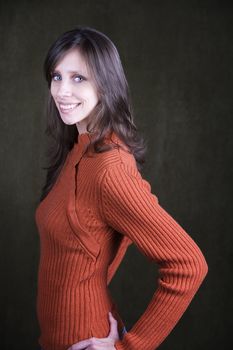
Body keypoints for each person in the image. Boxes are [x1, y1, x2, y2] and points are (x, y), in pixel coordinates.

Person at [35, 26, 208, 350]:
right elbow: (115, 230)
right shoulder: (79, 146)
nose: (61, 91)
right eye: (57, 76)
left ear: (105, 83)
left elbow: (189, 264)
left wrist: (131, 347)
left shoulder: (109, 168)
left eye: (78, 78)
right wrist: (89, 282)